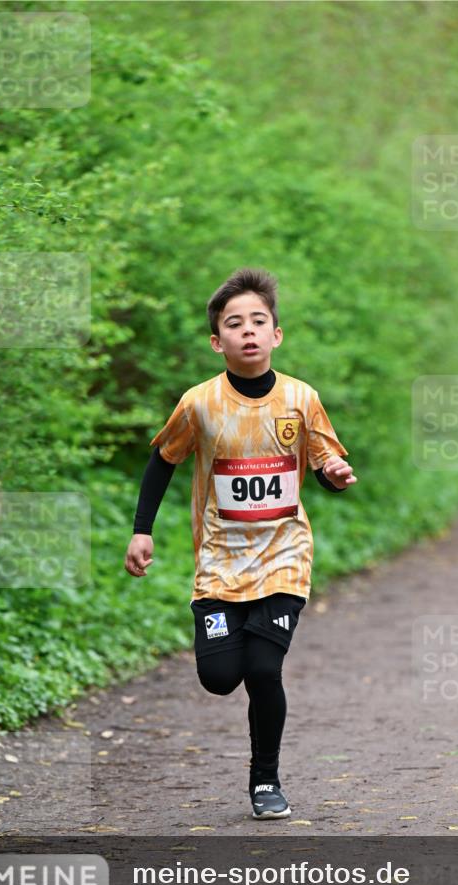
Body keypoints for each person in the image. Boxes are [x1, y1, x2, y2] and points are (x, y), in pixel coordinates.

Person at [124, 267, 356, 819]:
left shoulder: (301, 399)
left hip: (284, 556)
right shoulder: (200, 404)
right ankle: (231, 664)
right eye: (235, 324)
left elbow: (325, 461)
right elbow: (163, 460)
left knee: (263, 671)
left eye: (259, 321)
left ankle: (265, 782)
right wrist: (142, 529)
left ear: (276, 334)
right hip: (220, 563)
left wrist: (335, 474)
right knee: (220, 677)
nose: (247, 331)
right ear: (217, 341)